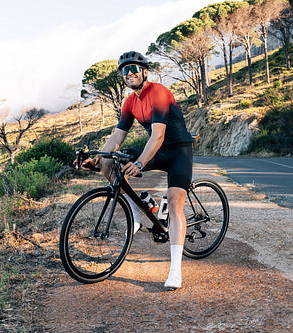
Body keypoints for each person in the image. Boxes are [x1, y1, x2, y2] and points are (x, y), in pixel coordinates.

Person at [79, 51, 193, 291]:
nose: (128, 73)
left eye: (133, 69)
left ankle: (175, 271)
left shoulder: (159, 93)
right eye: (124, 70)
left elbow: (158, 134)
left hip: (178, 151)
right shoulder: (130, 102)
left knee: (174, 203)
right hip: (157, 149)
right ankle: (137, 211)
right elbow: (117, 137)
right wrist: (96, 159)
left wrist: (140, 162)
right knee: (109, 162)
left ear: (144, 72)